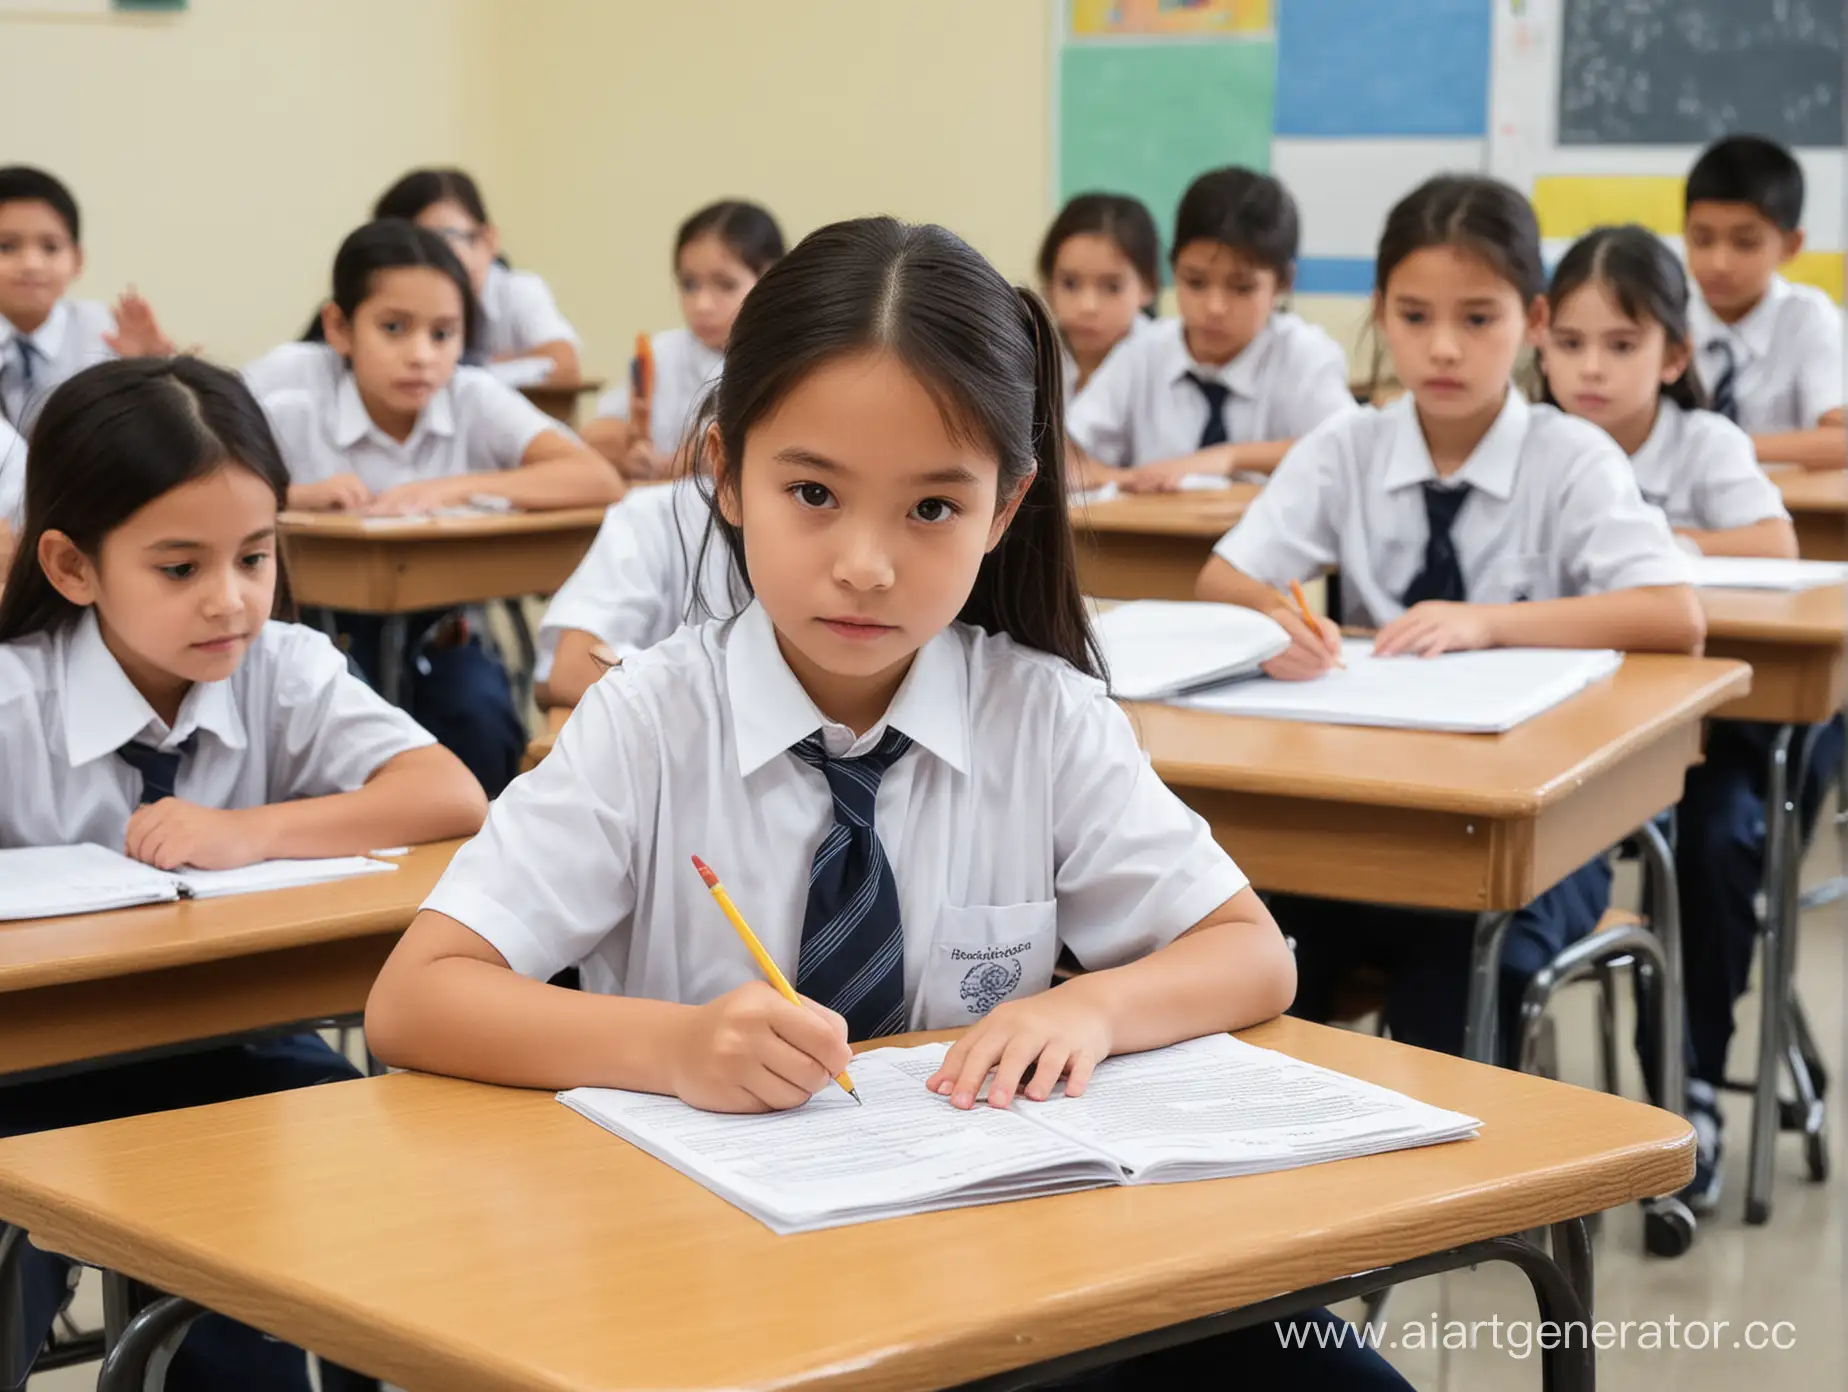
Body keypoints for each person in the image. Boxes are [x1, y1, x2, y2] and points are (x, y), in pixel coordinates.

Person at [365, 216, 1410, 1389]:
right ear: (726, 474)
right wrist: (672, 1045)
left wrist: (1096, 1010)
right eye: (813, 492)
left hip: (993, 1271)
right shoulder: (649, 720)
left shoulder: (1043, 716)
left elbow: (1250, 956)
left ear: (1005, 510)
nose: (866, 563)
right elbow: (417, 1001)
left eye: (930, 511)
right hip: (700, 1273)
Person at [0, 357, 485, 1391]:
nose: (231, 602)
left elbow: (449, 794)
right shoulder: (13, 700)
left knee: (385, 1187)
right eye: (180, 569)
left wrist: (253, 830)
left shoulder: (283, 665)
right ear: (72, 566)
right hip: (31, 1069)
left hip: (227, 1037)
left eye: (255, 558)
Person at [1197, 175, 1703, 1065]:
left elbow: (1673, 615)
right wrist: (1280, 622)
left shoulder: (1570, 456)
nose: (1443, 349)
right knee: (1256, 958)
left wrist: (1490, 623)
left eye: (1478, 319)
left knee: (1465, 975)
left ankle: (1475, 1201)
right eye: (1414, 315)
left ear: (1534, 321)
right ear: (1380, 314)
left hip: (1531, 834)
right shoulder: (1349, 445)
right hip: (1365, 815)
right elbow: (1223, 578)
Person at [245, 220, 622, 793]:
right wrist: (293, 496)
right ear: (340, 327)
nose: (421, 356)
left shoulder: (470, 395)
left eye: (443, 334)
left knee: (480, 714)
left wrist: (452, 489)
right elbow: (195, 479)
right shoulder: (293, 388)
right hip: (317, 634)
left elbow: (595, 477)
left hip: (442, 635)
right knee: (338, 730)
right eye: (394, 328)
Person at [1067, 166, 1353, 492]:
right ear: (1173, 268)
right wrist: (1131, 480)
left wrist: (1229, 458)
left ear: (1283, 283)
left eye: (1242, 287)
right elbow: (1065, 456)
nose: (1214, 307)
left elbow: (1348, 447)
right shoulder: (1143, 352)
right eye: (1195, 282)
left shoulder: (1302, 355)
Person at [582, 200, 784, 477]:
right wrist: (627, 449)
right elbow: (595, 433)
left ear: (770, 279)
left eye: (725, 285)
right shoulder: (661, 353)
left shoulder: (785, 360)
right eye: (689, 284)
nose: (701, 304)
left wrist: (693, 461)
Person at [1682, 135, 1845, 470]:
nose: (1719, 262)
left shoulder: (1807, 316)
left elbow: (1841, 441)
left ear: (1790, 245)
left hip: (1789, 506)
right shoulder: (1666, 314)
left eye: (1744, 243)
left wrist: (1722, 446)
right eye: (1702, 239)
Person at [0, 165, 173, 432]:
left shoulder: (106, 332)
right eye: (7, 246)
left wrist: (151, 368)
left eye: (50, 247)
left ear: (78, 260)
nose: (31, 264)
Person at [373, 166, 581, 379]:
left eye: (441, 239)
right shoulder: (384, 302)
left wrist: (474, 373)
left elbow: (563, 363)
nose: (426, 259)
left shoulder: (516, 291)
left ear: (487, 241)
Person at [1037, 191, 1161, 399]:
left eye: (1112, 287)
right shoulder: (1034, 357)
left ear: (1148, 286)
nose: (1088, 306)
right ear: (1049, 284)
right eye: (1070, 284)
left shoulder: (1162, 364)